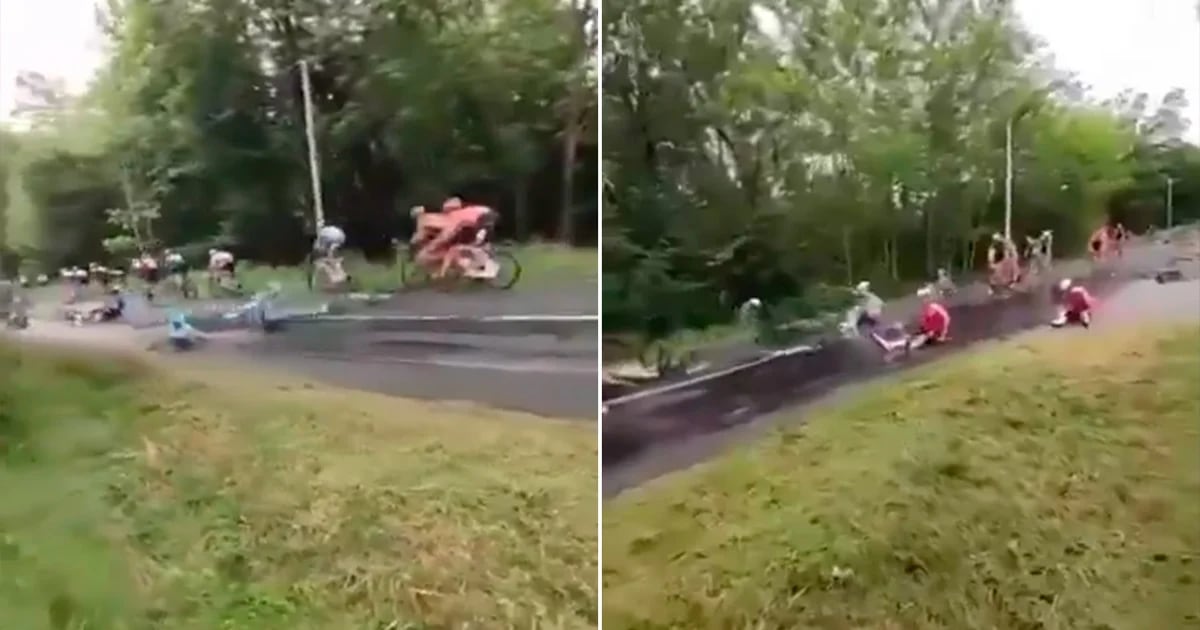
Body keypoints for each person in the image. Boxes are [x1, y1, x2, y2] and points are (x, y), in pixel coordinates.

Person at [908, 285, 951, 349]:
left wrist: (941, 332)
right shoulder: (928, 307)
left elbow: (943, 318)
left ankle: (913, 345)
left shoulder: (933, 306)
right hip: (933, 329)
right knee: (921, 335)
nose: (923, 300)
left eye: (925, 297)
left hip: (937, 328)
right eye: (923, 298)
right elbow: (928, 321)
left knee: (924, 337)